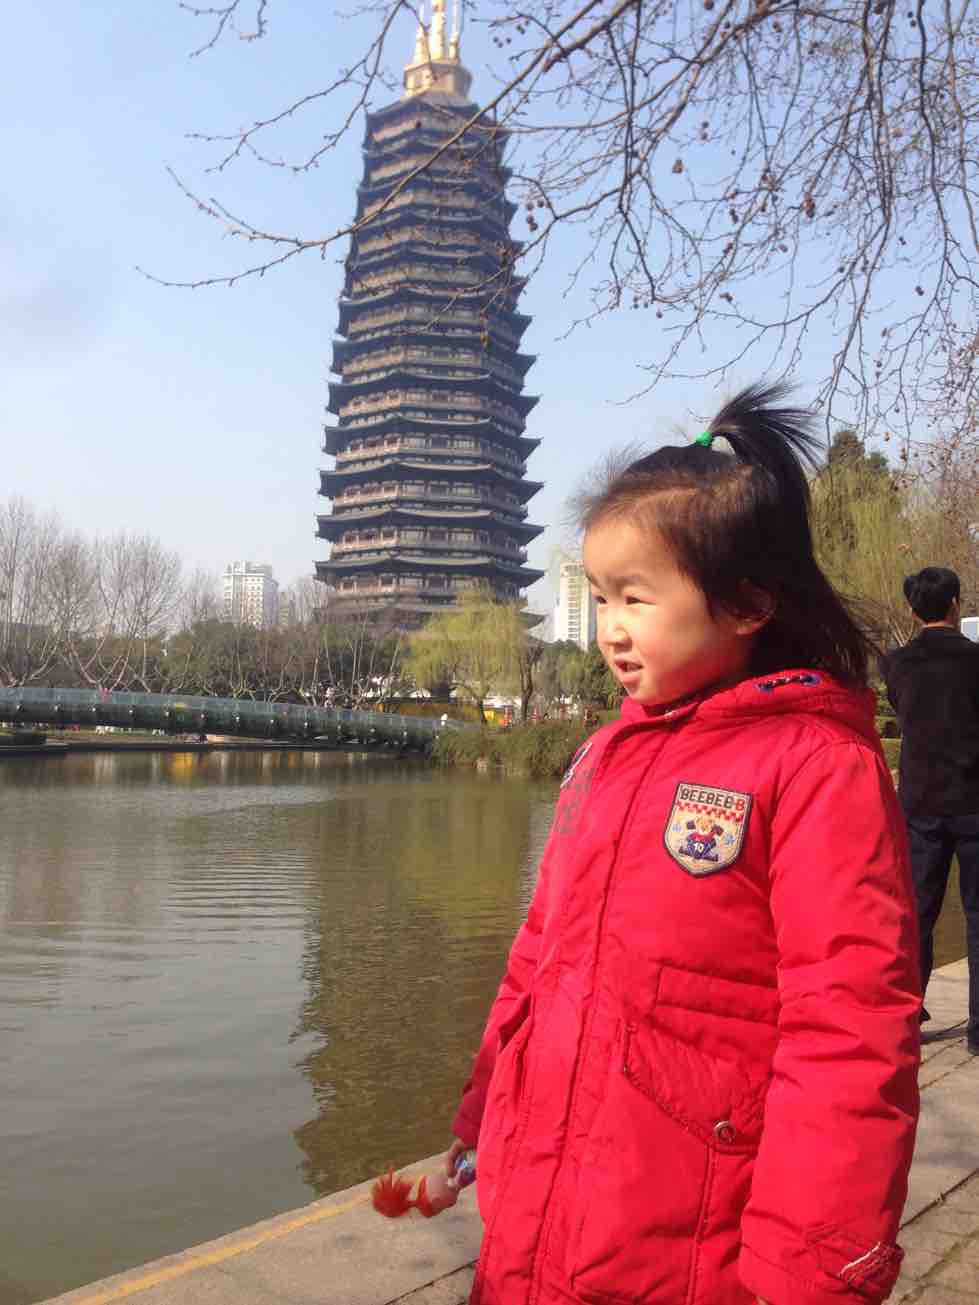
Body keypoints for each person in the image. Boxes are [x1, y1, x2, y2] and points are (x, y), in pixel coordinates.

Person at [443, 383, 921, 1305]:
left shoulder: (814, 766)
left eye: (635, 597)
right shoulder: (603, 754)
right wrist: (482, 1107)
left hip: (690, 1239)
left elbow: (849, 1029)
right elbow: (537, 956)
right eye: (599, 597)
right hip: (542, 1206)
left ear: (746, 604)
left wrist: (810, 1273)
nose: (610, 630)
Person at [880, 567, 979, 1054]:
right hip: (975, 799)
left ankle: (906, 1017)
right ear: (955, 603)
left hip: (920, 802)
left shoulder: (897, 664)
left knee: (915, 914)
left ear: (912, 610)